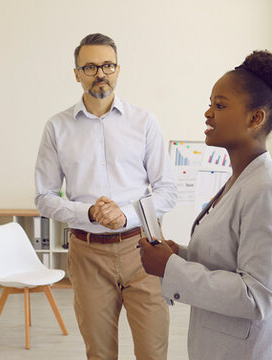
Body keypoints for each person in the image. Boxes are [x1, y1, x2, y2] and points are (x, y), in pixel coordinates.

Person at [138, 50, 272, 360]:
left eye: (220, 105)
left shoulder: (269, 189)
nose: (208, 114)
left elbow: (257, 296)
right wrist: (180, 255)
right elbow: (230, 260)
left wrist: (170, 268)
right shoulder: (240, 180)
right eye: (210, 104)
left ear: (255, 118)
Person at [34, 33, 177, 360]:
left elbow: (167, 190)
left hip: (143, 249)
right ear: (77, 73)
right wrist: (89, 213)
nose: (101, 73)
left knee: (154, 351)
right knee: (99, 353)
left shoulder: (144, 122)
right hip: (88, 254)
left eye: (108, 65)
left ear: (118, 69)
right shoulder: (57, 127)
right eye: (90, 66)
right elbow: (43, 197)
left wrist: (125, 214)